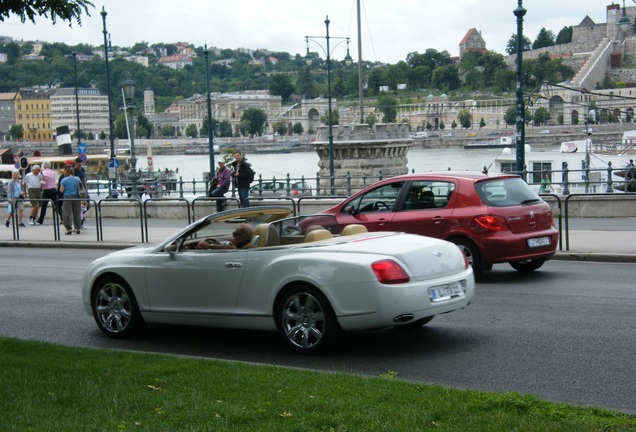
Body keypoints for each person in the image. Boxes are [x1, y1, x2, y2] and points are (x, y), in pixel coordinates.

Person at [59, 167, 83, 235]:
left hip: (67, 197)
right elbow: (81, 187)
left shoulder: (64, 180)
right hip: (77, 197)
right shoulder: (77, 179)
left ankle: (69, 228)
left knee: (66, 213)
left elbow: (61, 190)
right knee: (77, 212)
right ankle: (77, 227)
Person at [37, 161, 58, 225]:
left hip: (47, 190)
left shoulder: (43, 173)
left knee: (44, 206)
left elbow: (44, 182)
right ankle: (62, 218)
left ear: (44, 166)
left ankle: (41, 220)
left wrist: (40, 182)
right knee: (56, 204)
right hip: (54, 189)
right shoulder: (52, 172)